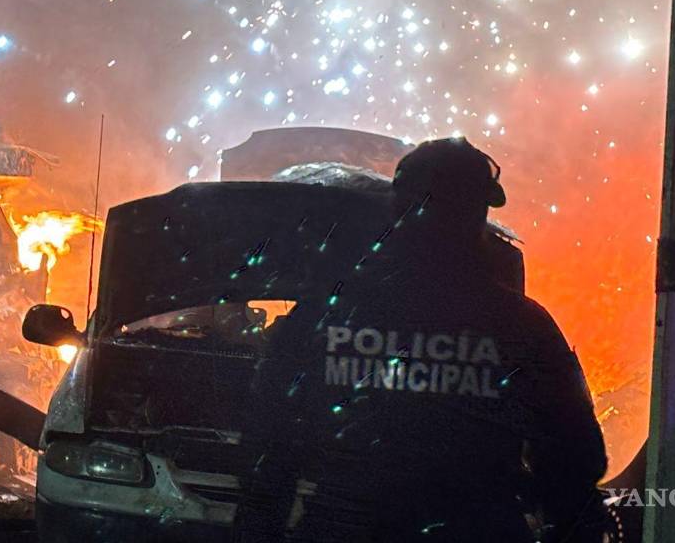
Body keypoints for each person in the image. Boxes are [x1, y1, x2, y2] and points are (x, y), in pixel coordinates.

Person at [234, 138, 609, 542]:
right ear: (477, 214)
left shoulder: (323, 318)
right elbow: (574, 463)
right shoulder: (522, 326)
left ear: (396, 209)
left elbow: (267, 457)